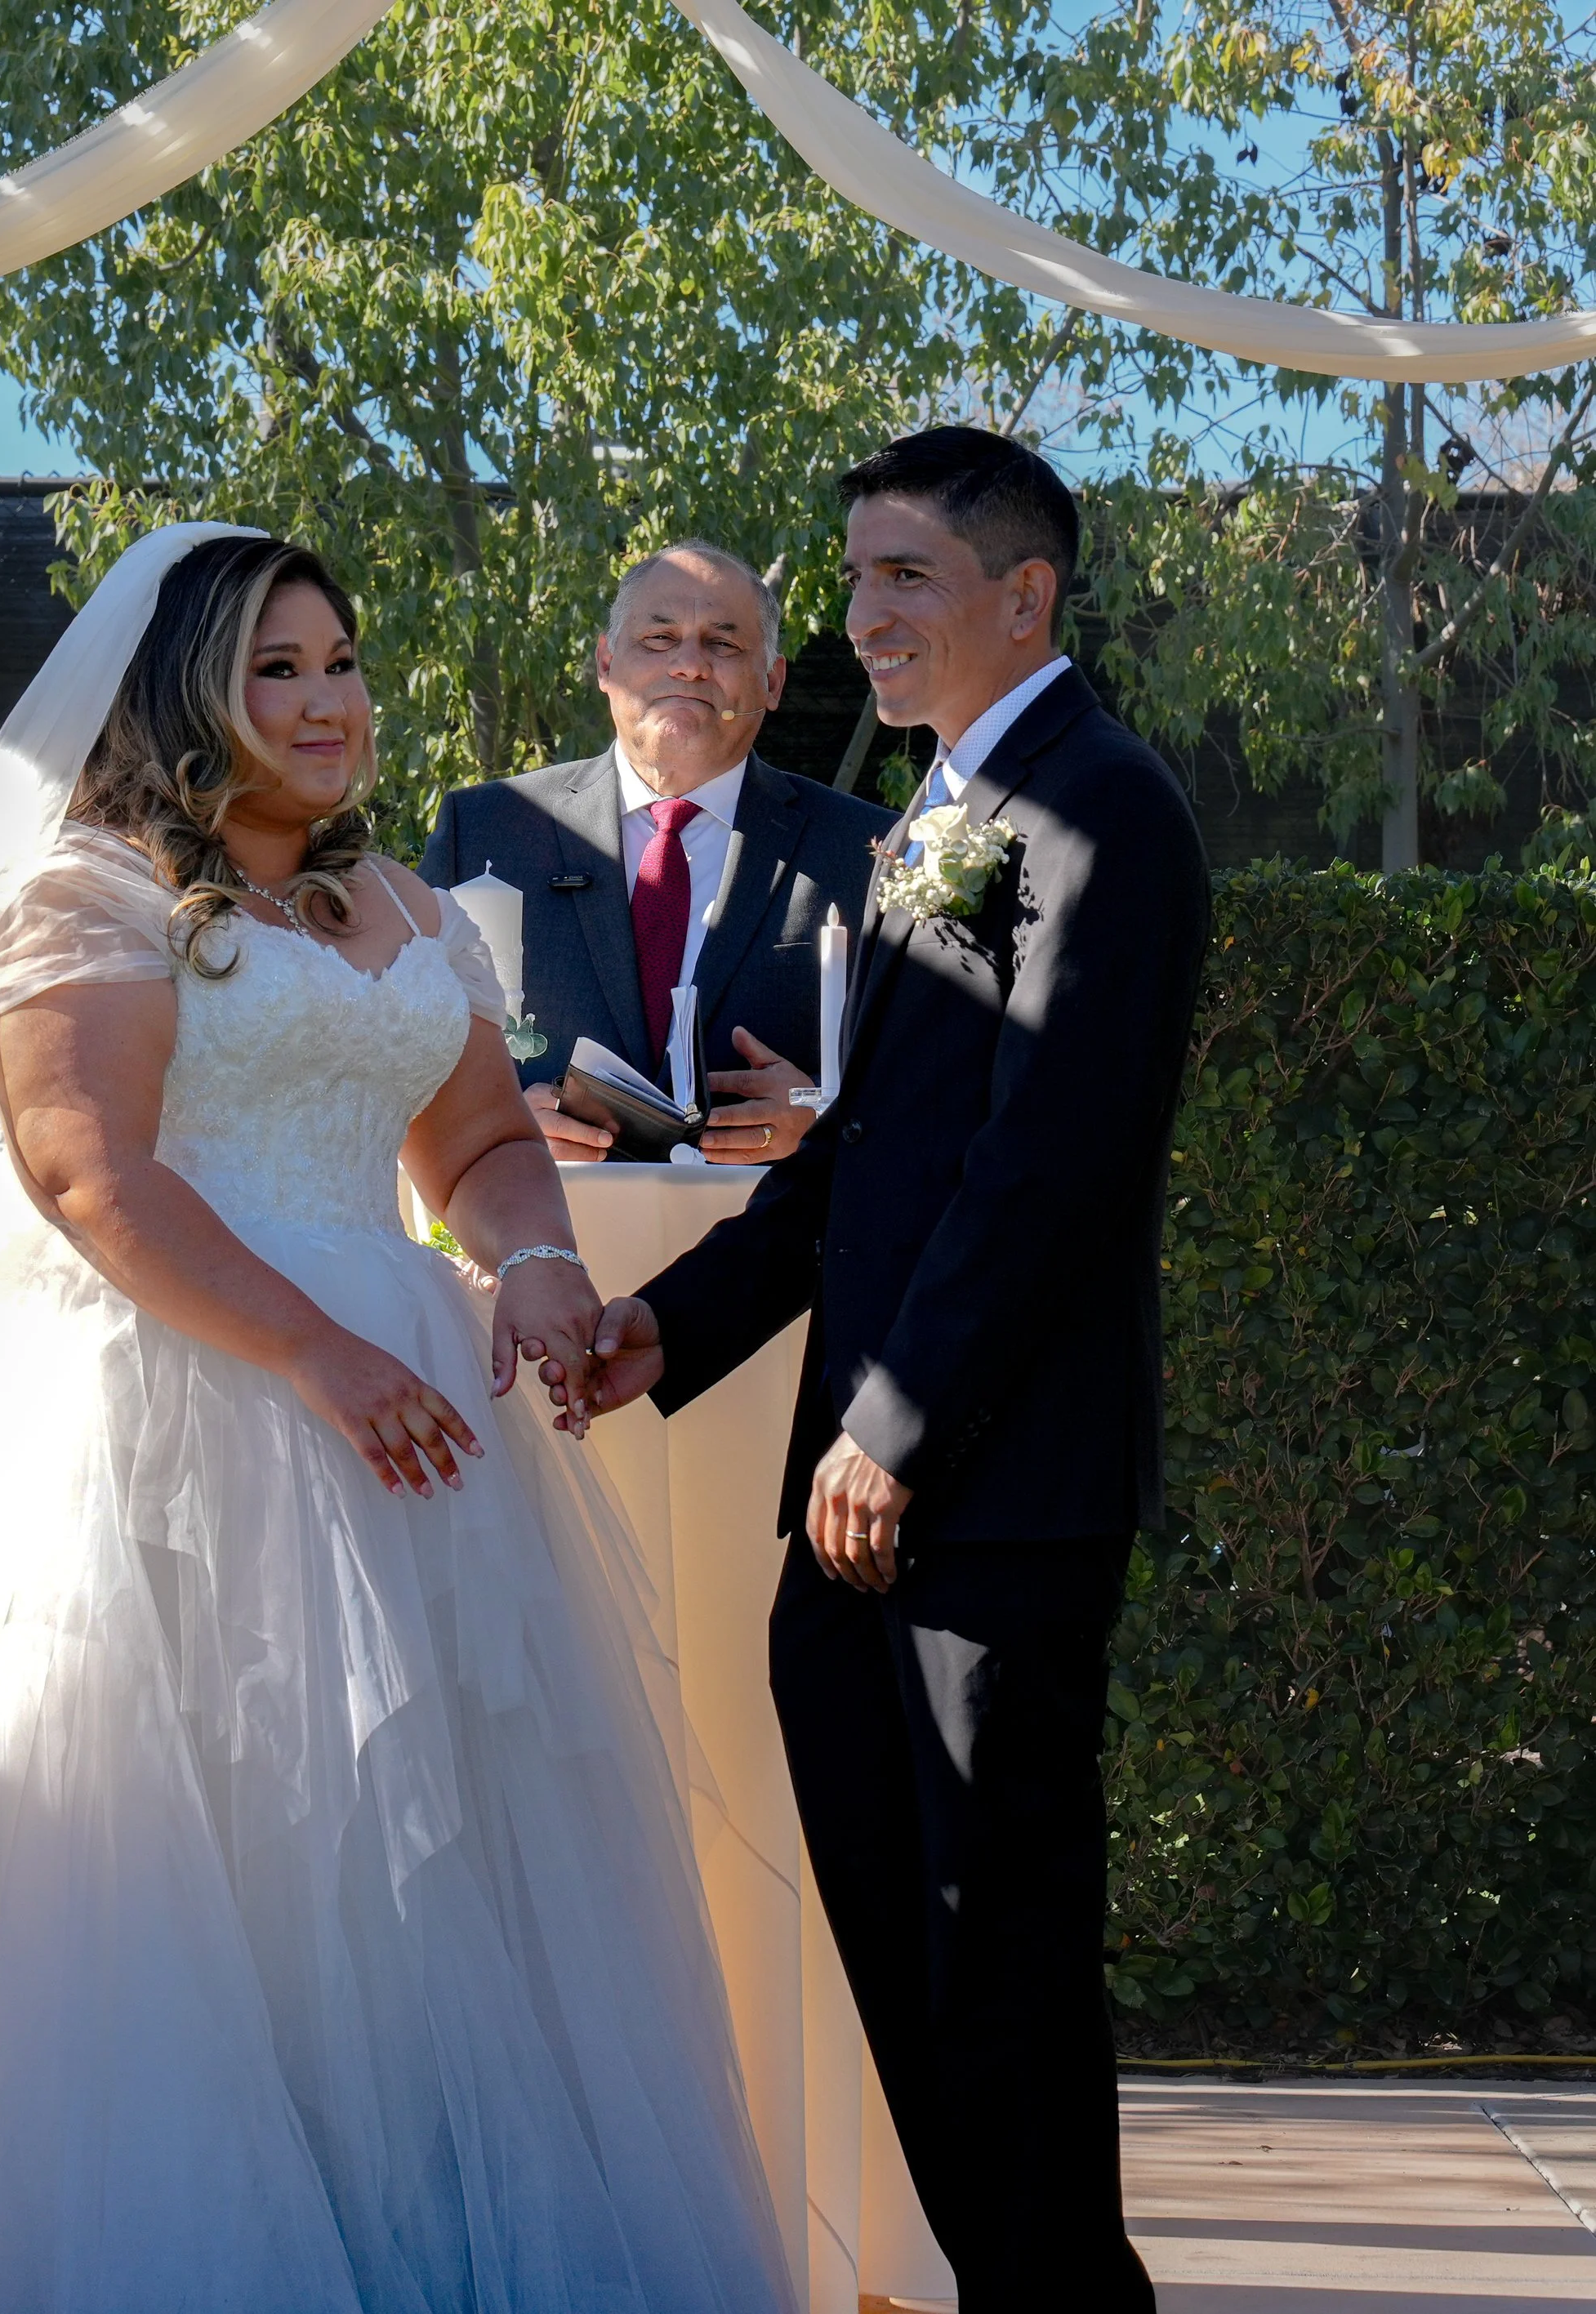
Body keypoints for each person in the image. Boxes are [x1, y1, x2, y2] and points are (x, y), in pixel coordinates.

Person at [0, 528, 794, 2314]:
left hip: (412, 1444)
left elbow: (476, 1148)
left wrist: (529, 1267)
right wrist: (316, 1353)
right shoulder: (91, 894)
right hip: (172, 1414)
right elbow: (90, 1177)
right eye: (277, 669)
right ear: (187, 694)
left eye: (342, 663)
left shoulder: (406, 909)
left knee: (418, 1885)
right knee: (188, 1871)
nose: (327, 702)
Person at [560, 430, 1210, 2311]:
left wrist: (893, 1432)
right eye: (851, 579)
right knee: (923, 1981)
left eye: (906, 577)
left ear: (1028, 594)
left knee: (997, 1980)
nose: (862, 616)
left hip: (986, 1512)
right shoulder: (953, 814)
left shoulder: (1105, 811)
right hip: (867, 1528)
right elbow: (871, 1160)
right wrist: (662, 1329)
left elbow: (1046, 1172)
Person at [421, 541, 890, 1163]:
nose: (690, 666)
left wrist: (829, 1114)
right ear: (606, 664)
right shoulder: (485, 833)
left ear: (773, 682)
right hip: (546, 1236)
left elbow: (935, 1082)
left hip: (770, 1244)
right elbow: (395, 1063)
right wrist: (496, 1120)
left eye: (723, 644)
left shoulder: (870, 852)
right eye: (659, 639)